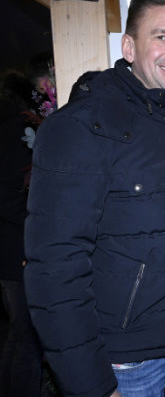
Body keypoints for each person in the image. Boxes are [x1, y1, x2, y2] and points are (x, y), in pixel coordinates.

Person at [24, 0, 165, 397]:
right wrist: (92, 385)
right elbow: (55, 266)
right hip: (129, 365)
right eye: (162, 37)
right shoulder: (82, 126)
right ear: (128, 47)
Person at [0, 71, 43, 397]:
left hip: (10, 246)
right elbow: (12, 195)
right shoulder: (17, 131)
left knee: (19, 332)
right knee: (26, 332)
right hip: (19, 247)